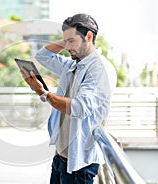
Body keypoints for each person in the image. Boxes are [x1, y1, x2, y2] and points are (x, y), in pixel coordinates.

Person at [20, 13, 117, 184]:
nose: (67, 46)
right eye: (65, 41)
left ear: (88, 37)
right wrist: (68, 40)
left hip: (79, 164)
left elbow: (79, 108)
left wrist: (43, 93)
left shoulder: (100, 69)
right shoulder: (74, 64)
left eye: (72, 41)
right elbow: (43, 56)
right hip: (62, 156)